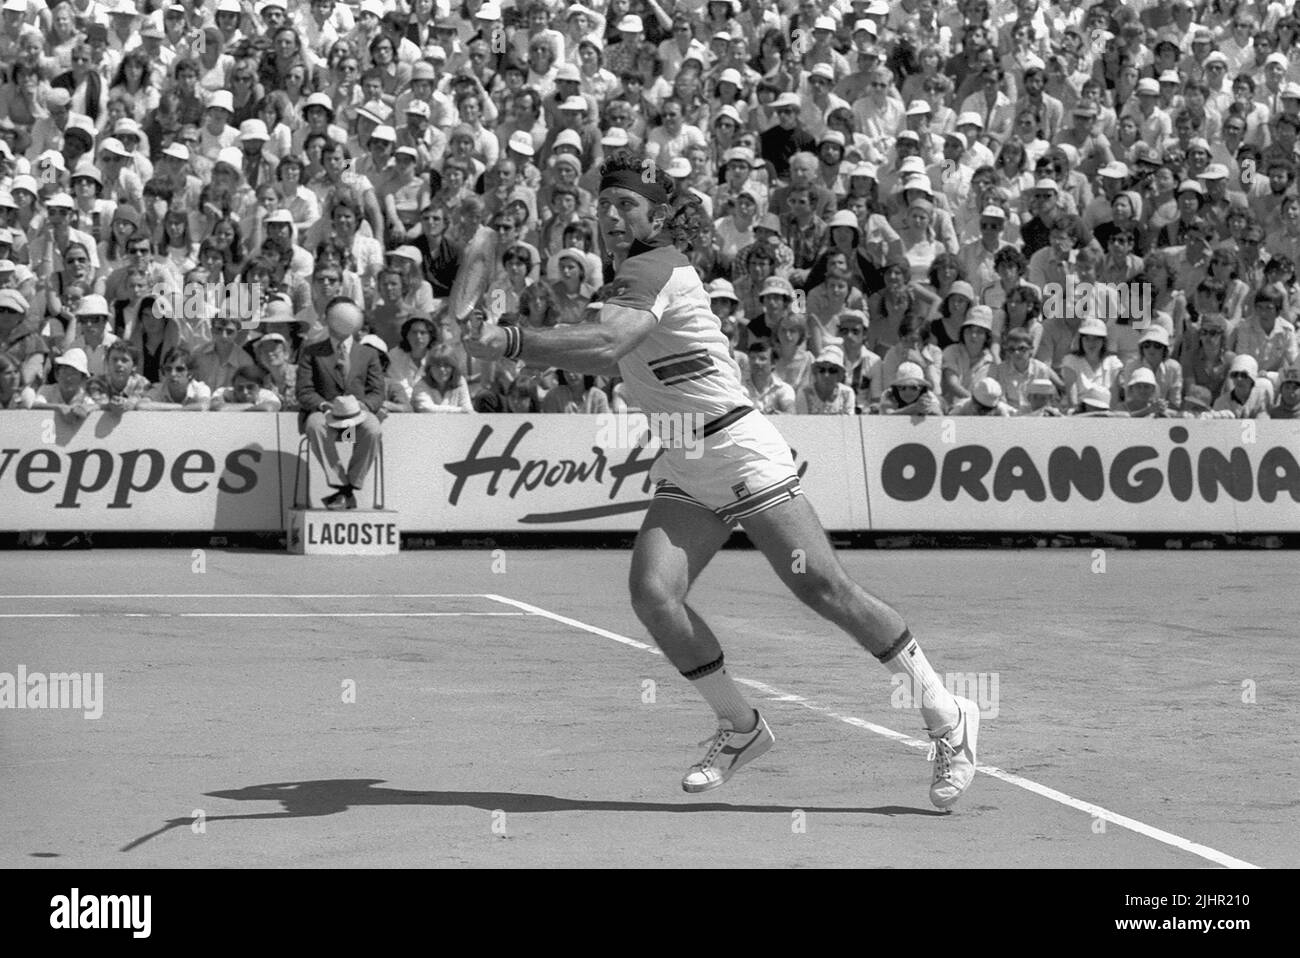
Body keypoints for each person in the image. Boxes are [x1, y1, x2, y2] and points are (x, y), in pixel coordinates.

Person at [463, 151, 981, 807]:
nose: (612, 216)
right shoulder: (621, 285)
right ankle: (740, 726)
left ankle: (946, 713)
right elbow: (582, 342)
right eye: (604, 208)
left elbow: (600, 347)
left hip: (738, 449)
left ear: (654, 218)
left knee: (822, 587)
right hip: (685, 462)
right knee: (654, 594)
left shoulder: (658, 269)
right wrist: (500, 340)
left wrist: (509, 339)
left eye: (627, 206)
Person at [296, 298, 386, 510]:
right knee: (315, 425)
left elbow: (377, 392)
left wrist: (365, 406)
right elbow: (304, 391)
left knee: (373, 429)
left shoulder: (368, 354)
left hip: (353, 426)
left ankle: (347, 490)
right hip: (328, 421)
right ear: (327, 320)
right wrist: (324, 406)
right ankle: (341, 484)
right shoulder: (311, 352)